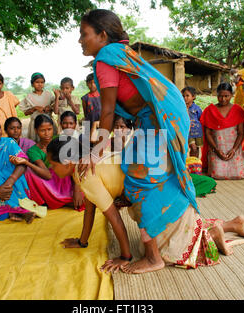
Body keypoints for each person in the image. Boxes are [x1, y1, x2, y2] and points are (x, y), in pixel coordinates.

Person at [78, 9, 211, 273]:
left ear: (102, 35)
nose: (80, 40)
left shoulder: (105, 58)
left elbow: (107, 111)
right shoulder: (118, 52)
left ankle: (153, 258)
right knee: (141, 171)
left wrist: (95, 153)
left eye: (84, 34)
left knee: (141, 178)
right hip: (159, 116)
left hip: (160, 118)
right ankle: (199, 232)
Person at [49, 137, 244, 273]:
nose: (51, 168)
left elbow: (114, 218)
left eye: (53, 163)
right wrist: (82, 241)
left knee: (169, 250)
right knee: (181, 229)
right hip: (156, 184)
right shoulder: (83, 168)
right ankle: (233, 224)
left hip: (153, 193)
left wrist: (125, 256)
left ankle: (212, 235)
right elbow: (91, 207)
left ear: (67, 163)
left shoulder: (85, 176)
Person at [14, 115, 84, 211]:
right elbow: (48, 175)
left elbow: (77, 160)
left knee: (73, 166)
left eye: (49, 129)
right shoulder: (33, 151)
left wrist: (77, 188)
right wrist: (27, 163)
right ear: (36, 131)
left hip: (69, 177)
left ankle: (68, 199)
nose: (47, 133)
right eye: (42, 130)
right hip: (50, 180)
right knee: (28, 173)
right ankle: (63, 200)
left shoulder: (60, 139)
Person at [200, 83, 244, 180]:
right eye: (220, 96)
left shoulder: (238, 110)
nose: (223, 99)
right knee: (217, 174)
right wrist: (216, 150)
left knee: (238, 175)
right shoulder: (210, 110)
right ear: (217, 95)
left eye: (226, 96)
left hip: (233, 150)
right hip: (217, 149)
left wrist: (234, 150)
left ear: (231, 95)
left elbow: (240, 133)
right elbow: (208, 133)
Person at [18, 72, 56, 141]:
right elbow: (26, 113)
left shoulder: (49, 94)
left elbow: (55, 106)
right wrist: (34, 108)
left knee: (50, 141)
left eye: (42, 82)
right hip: (35, 123)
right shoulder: (29, 96)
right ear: (32, 84)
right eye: (37, 82)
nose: (40, 84)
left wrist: (50, 108)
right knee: (37, 142)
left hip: (48, 122)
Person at [182, 86, 203, 158]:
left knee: (196, 149)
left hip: (197, 133)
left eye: (187, 96)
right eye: (183, 96)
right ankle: (192, 162)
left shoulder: (197, 108)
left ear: (193, 97)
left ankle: (195, 164)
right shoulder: (182, 108)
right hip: (188, 133)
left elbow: (201, 119)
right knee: (193, 147)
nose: (185, 98)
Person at [81, 73, 102, 142]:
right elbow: (85, 113)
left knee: (100, 139)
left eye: (94, 83)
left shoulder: (102, 95)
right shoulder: (85, 98)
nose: (92, 85)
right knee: (89, 141)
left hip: (100, 121)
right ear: (87, 84)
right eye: (90, 83)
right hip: (90, 122)